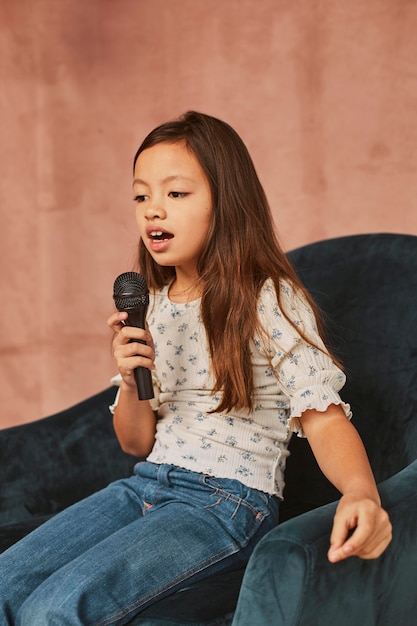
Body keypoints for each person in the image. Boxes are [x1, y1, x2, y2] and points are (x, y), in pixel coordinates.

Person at [0, 111, 391, 625]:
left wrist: (361, 492)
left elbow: (322, 414)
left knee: (55, 609)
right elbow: (136, 443)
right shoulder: (152, 304)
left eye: (176, 194)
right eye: (141, 196)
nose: (152, 211)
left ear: (225, 203)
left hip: (224, 503)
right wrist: (130, 371)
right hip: (144, 485)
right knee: (7, 582)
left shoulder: (268, 298)